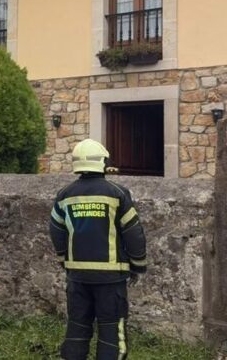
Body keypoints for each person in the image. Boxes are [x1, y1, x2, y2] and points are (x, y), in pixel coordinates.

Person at [49, 139, 147, 360]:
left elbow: (56, 229)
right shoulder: (117, 193)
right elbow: (133, 232)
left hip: (77, 277)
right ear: (103, 162)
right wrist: (139, 265)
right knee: (112, 331)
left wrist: (64, 259)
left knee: (77, 327)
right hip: (111, 279)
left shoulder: (65, 194)